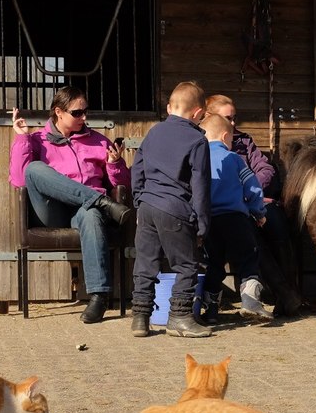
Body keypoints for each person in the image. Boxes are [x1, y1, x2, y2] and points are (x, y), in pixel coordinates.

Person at [9, 86, 132, 324]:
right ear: (59, 112)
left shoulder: (98, 141)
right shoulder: (38, 140)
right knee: (34, 168)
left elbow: (124, 184)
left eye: (85, 111)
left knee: (91, 215)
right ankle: (100, 201)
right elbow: (19, 180)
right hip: (52, 211)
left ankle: (99, 297)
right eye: (77, 113)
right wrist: (22, 138)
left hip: (84, 212)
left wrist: (114, 164)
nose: (83, 117)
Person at [204, 94, 301, 317]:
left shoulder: (244, 141)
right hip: (240, 210)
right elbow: (250, 185)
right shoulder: (207, 149)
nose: (233, 123)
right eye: (228, 118)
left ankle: (211, 308)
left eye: (234, 117)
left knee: (277, 225)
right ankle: (275, 297)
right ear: (209, 116)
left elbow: (265, 170)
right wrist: (247, 199)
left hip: (226, 209)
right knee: (251, 245)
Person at [129, 81, 212, 338]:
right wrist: (202, 224)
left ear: (169, 108)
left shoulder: (153, 132)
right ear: (198, 113)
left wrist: (139, 200)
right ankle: (180, 317)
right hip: (175, 208)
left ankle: (140, 318)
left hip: (147, 207)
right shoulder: (197, 140)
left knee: (145, 264)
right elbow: (201, 185)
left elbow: (137, 169)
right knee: (186, 265)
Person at [198, 114, 273, 324]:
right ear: (225, 137)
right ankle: (250, 302)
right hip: (236, 220)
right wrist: (259, 212)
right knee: (248, 258)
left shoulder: (198, 160)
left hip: (210, 222)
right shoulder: (234, 159)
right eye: (231, 140)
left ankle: (211, 311)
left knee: (214, 265)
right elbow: (253, 188)